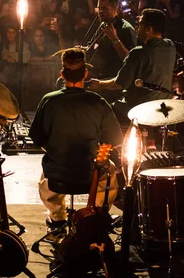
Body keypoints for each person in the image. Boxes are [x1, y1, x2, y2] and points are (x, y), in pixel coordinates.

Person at [29, 48, 122, 235]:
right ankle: (95, 214)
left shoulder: (49, 101)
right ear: (85, 74)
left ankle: (57, 218)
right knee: (110, 169)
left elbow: (37, 138)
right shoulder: (98, 102)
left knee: (45, 175)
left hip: (58, 175)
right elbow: (115, 140)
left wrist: (58, 150)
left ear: (62, 74)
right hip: (90, 174)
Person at [90, 8, 176, 127]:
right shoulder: (170, 46)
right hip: (160, 107)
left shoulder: (138, 53)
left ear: (148, 29)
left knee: (97, 111)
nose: (137, 28)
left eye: (140, 24)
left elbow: (118, 84)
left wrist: (99, 84)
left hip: (136, 109)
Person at [88, 0, 137, 81]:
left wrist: (115, 39)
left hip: (115, 79)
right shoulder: (103, 25)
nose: (100, 12)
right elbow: (92, 47)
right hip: (99, 74)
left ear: (115, 9)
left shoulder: (126, 29)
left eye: (105, 8)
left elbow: (131, 61)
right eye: (99, 8)